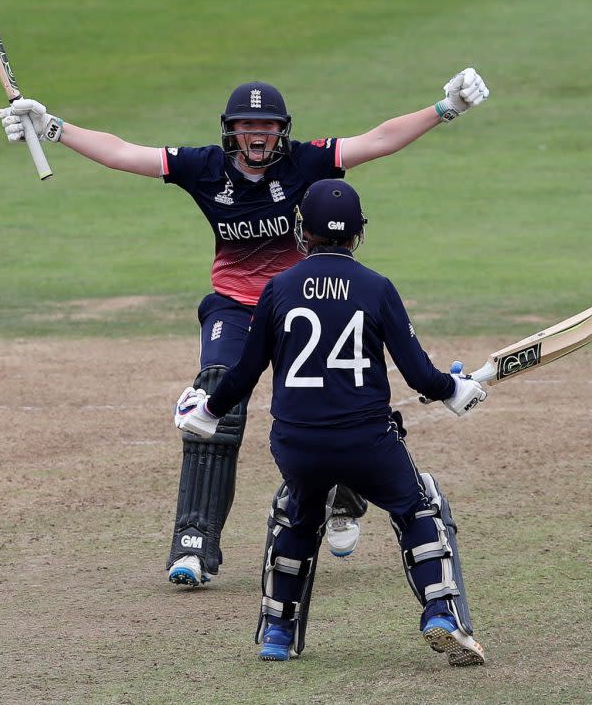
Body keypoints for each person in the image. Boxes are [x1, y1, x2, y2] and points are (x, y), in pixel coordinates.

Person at [0, 69, 490, 587]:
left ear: (283, 130)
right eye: (247, 126)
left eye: (269, 127)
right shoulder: (204, 168)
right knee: (216, 396)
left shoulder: (307, 160)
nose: (259, 137)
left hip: (305, 303)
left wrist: (445, 108)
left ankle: (345, 498)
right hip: (235, 306)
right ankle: (194, 542)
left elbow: (378, 140)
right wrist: (54, 127)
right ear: (230, 130)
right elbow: (125, 153)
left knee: (342, 397)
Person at [173, 179, 489, 665]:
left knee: (298, 513)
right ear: (357, 235)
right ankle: (441, 613)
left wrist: (208, 411)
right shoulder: (377, 288)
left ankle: (277, 634)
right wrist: (454, 390)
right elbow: (419, 373)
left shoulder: (277, 289)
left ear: (304, 232)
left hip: (297, 442)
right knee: (418, 507)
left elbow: (244, 372)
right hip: (367, 440)